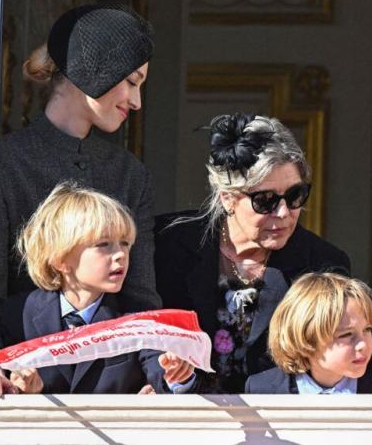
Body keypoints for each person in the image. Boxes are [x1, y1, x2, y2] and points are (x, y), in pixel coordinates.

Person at [0, 4, 162, 382]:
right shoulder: (3, 165)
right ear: (95, 70)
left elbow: (141, 301)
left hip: (112, 395)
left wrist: (157, 380)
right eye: (132, 82)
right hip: (23, 394)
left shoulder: (129, 174)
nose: (136, 102)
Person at [149, 113, 351, 394]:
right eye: (265, 201)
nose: (283, 213)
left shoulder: (322, 264)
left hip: (275, 424)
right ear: (228, 198)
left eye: (295, 196)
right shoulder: (167, 243)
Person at [0, 183, 157, 400]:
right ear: (61, 260)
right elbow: (8, 390)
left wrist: (175, 378)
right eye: (104, 244)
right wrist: (25, 392)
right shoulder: (18, 315)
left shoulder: (136, 317)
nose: (120, 254)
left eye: (125, 244)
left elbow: (163, 374)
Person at [245, 272, 372, 394]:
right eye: (346, 335)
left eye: (367, 329)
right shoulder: (262, 388)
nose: (363, 344)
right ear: (305, 339)